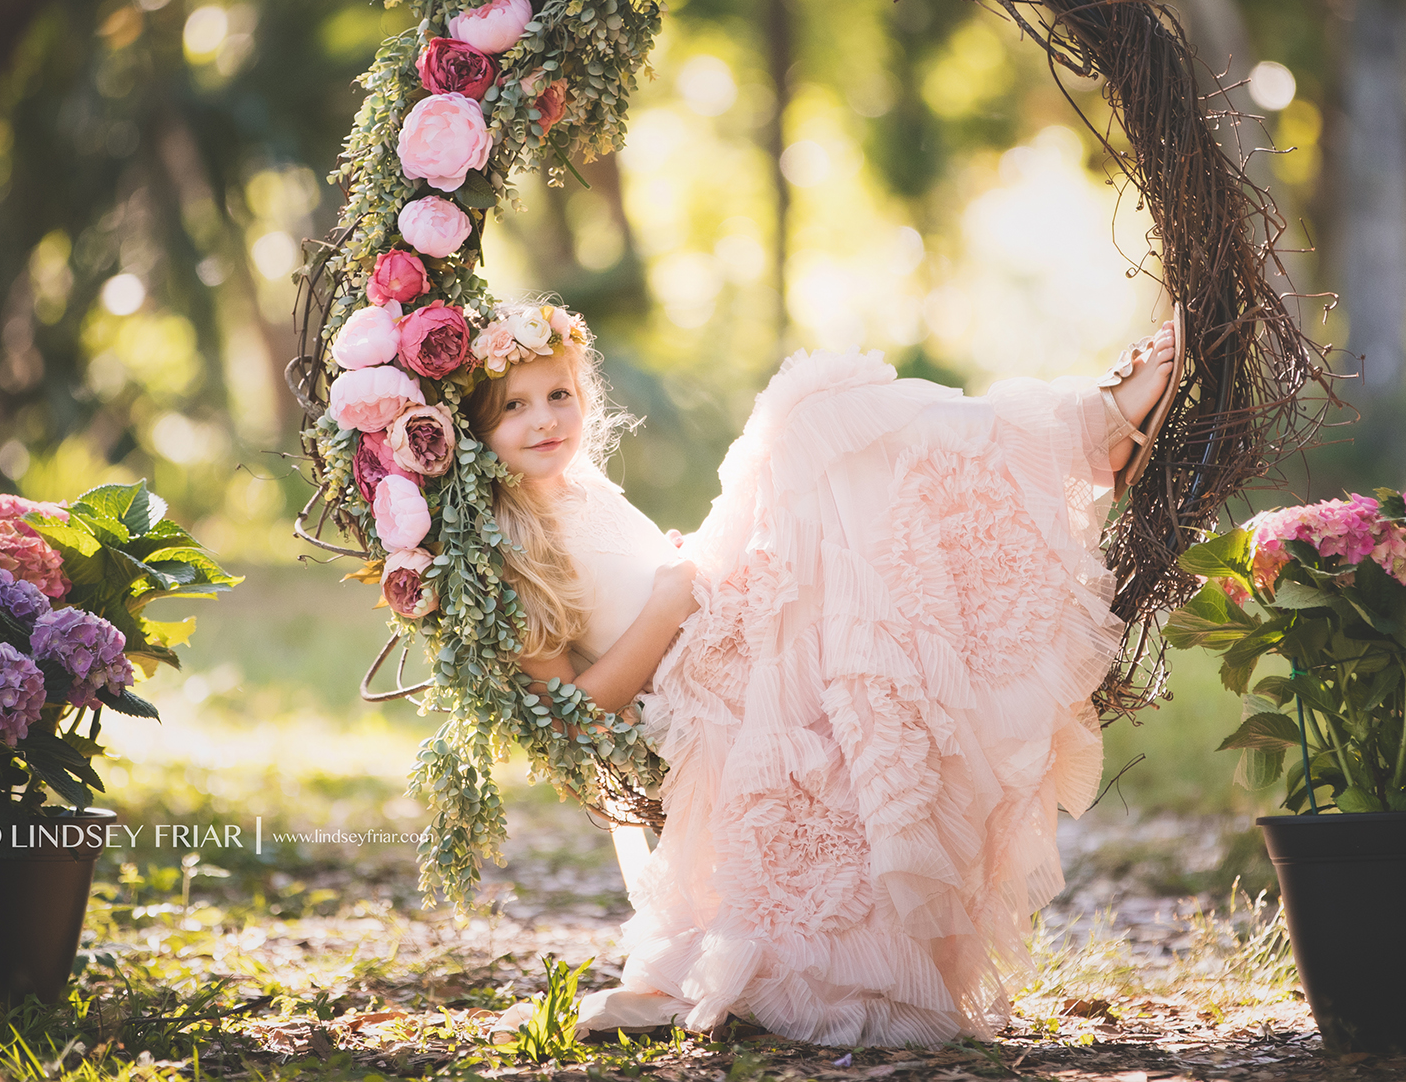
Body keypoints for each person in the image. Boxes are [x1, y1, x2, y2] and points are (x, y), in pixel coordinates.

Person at [460, 310, 1182, 1047]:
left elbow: (640, 583)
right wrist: (671, 595)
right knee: (811, 420)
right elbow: (569, 715)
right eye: (514, 407)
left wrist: (675, 574)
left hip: (724, 614)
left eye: (559, 395)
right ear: (476, 432)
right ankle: (1085, 432)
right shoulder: (510, 552)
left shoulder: (579, 491)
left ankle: (1072, 440)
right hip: (715, 670)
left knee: (823, 425)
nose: (545, 419)